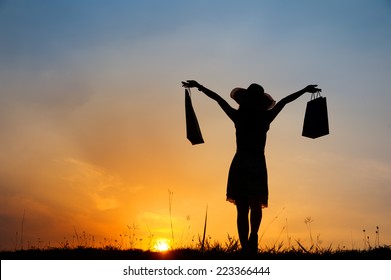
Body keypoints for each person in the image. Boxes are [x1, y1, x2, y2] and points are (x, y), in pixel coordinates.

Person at [181, 80, 321, 253]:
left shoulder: (238, 116)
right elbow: (285, 101)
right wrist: (305, 90)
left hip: (240, 161)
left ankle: (245, 245)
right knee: (255, 204)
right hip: (257, 162)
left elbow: (218, 100)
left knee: (242, 208)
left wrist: (199, 87)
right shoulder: (265, 117)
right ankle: (252, 237)